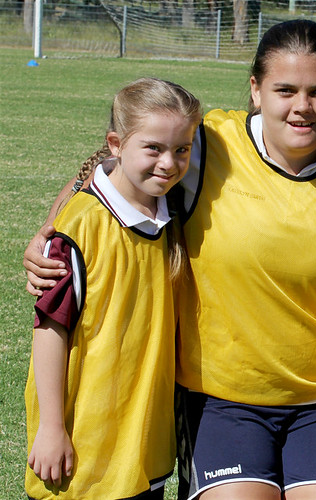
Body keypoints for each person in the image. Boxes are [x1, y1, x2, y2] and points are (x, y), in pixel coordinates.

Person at [24, 20, 316, 500]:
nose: (302, 108)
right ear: (256, 89)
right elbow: (114, 168)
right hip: (221, 399)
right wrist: (50, 234)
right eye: (285, 89)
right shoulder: (209, 144)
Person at [24, 77, 202, 499]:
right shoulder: (80, 227)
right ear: (117, 144)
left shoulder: (174, 214)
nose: (169, 163)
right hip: (81, 447)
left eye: (182, 150)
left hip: (143, 445)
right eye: (153, 148)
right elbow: (50, 330)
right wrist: (51, 428)